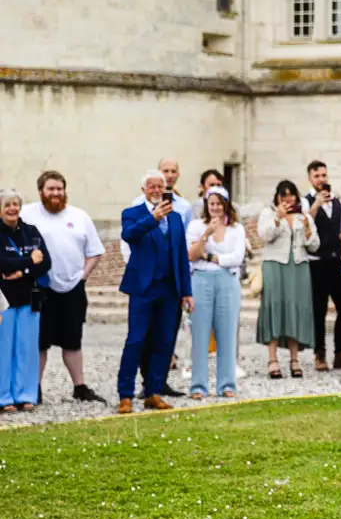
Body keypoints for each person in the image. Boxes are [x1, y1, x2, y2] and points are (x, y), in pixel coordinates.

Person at [20, 171, 106, 404]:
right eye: (51, 189)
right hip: (40, 287)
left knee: (73, 340)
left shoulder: (79, 216)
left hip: (73, 288)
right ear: (41, 192)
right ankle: (33, 389)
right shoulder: (26, 213)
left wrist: (83, 276)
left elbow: (95, 252)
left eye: (60, 189)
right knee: (40, 341)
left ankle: (79, 386)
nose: (56, 193)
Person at [116, 170, 193, 414]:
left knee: (164, 341)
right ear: (143, 190)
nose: (157, 190)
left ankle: (154, 391)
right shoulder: (132, 214)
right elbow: (129, 235)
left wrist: (186, 291)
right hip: (143, 287)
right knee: (136, 339)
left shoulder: (177, 217)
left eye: (160, 186)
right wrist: (153, 218)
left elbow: (181, 255)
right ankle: (125, 394)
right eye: (152, 186)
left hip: (169, 288)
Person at [256, 180, 320, 380]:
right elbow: (264, 236)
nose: (287, 199)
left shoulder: (304, 216)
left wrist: (308, 231)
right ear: (277, 197)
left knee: (296, 309)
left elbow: (315, 246)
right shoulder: (268, 213)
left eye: (291, 195)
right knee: (275, 307)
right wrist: (277, 218)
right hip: (275, 265)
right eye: (283, 196)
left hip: (299, 265)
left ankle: (294, 359)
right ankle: (272, 358)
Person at [185, 187, 244, 399]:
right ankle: (198, 386)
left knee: (226, 332)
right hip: (201, 279)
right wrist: (207, 234)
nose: (216, 208)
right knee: (199, 332)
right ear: (206, 205)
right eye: (212, 203)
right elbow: (192, 254)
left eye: (219, 203)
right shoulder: (195, 226)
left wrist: (211, 257)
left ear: (226, 205)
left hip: (227, 280)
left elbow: (237, 257)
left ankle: (227, 384)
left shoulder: (237, 229)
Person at [0, 189, 49, 412]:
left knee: (27, 348)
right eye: (7, 204)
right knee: (4, 349)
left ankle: (25, 394)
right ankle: (4, 397)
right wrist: (29, 260)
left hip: (29, 297)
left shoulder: (31, 232)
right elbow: (2, 263)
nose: (12, 209)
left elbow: (45, 262)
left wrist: (23, 271)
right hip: (4, 300)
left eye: (16, 204)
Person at [303, 160, 341, 371]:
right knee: (319, 310)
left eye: (324, 175)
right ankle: (319, 354)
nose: (321, 179)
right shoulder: (305, 202)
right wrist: (316, 205)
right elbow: (304, 224)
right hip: (316, 263)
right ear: (310, 179)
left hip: (336, 260)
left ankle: (340, 352)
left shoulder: (339, 203)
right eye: (317, 176)